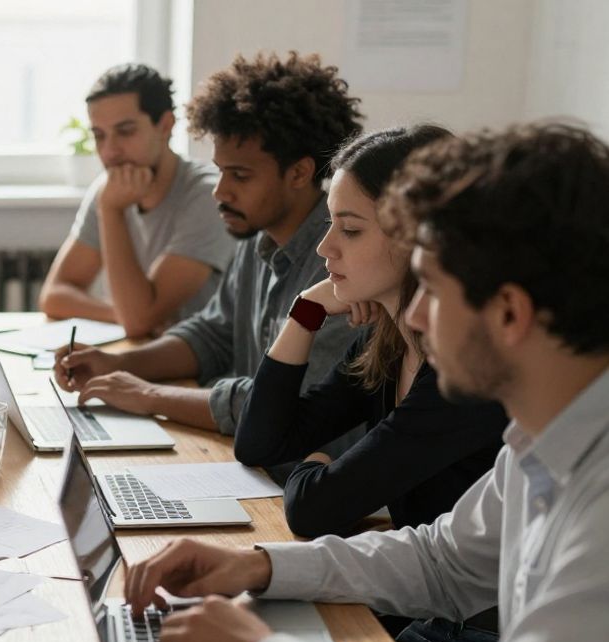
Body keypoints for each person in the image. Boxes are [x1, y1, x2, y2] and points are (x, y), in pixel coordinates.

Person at [123, 124, 609, 642]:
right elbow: (445, 562)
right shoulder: (538, 441)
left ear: (511, 314)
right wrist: (262, 567)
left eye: (431, 289)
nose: (411, 316)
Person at [56, 52, 363, 437]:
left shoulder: (339, 262)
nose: (220, 191)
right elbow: (211, 336)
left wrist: (149, 395)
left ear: (299, 172)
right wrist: (117, 363)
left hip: (296, 475)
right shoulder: (255, 242)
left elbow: (282, 405)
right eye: (220, 171)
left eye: (240, 175)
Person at [234, 126, 508, 538]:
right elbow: (259, 443)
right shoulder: (388, 343)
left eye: (350, 229)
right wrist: (305, 312)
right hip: (416, 584)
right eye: (330, 225)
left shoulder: (462, 373)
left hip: (466, 599)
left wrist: (313, 465)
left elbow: (314, 510)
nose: (325, 247)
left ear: (418, 239)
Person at [38, 63, 233, 338]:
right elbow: (55, 295)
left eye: (126, 131)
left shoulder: (208, 194)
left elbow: (140, 321)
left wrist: (112, 210)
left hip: (201, 370)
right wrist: (118, 313)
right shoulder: (108, 190)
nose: (110, 151)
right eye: (99, 136)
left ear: (165, 126)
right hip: (146, 356)